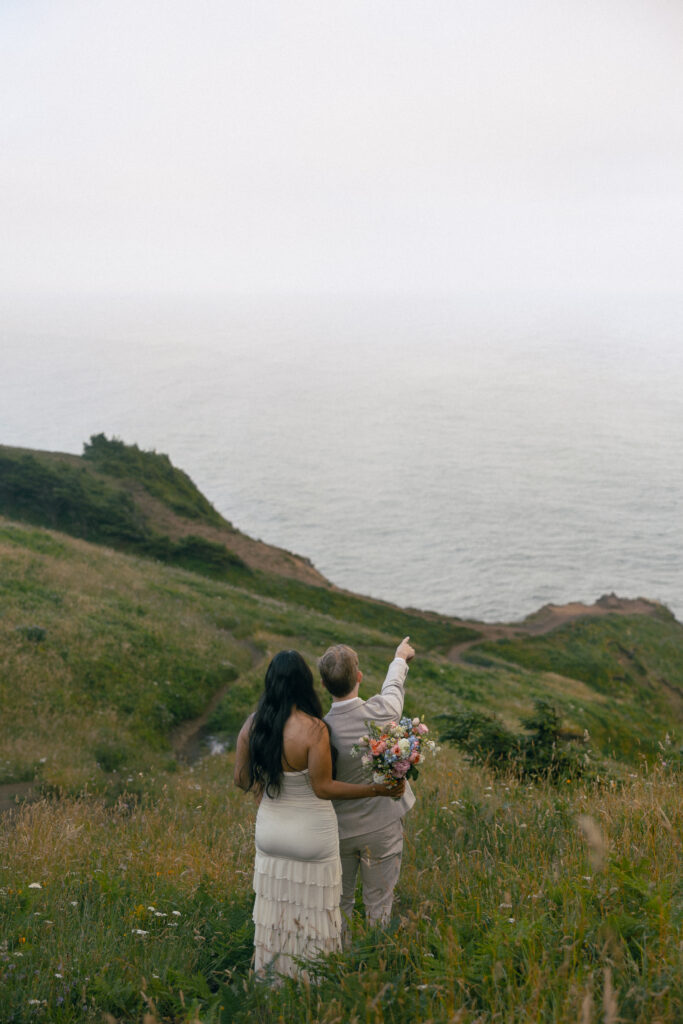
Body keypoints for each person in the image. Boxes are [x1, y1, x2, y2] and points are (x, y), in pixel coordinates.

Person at [233, 649, 404, 982]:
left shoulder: (253, 725)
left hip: (270, 830)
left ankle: (275, 980)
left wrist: (266, 783)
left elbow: (241, 780)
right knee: (319, 910)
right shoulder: (314, 730)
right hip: (313, 832)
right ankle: (317, 980)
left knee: (276, 910)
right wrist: (376, 790)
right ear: (307, 684)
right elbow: (324, 788)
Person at [319, 636, 416, 941]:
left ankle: (340, 961)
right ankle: (375, 961)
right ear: (359, 677)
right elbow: (393, 689)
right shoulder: (381, 711)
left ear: (324, 685)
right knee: (379, 904)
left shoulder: (321, 729)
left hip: (339, 831)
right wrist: (399, 658)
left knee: (340, 904)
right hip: (382, 826)